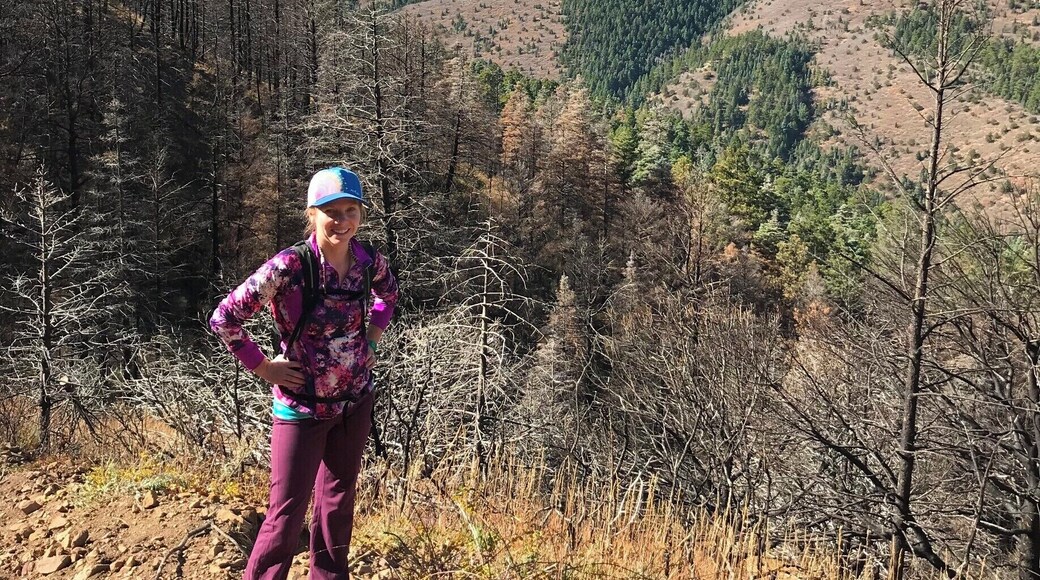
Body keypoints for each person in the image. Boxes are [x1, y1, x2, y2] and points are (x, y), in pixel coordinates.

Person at [210, 167, 399, 580]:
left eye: (352, 210)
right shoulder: (290, 266)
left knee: (337, 504)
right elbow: (224, 318)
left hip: (354, 401)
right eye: (332, 211)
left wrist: (371, 338)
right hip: (301, 408)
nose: (343, 221)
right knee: (286, 512)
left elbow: (390, 295)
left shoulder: (368, 262)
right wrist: (262, 366)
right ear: (312, 214)